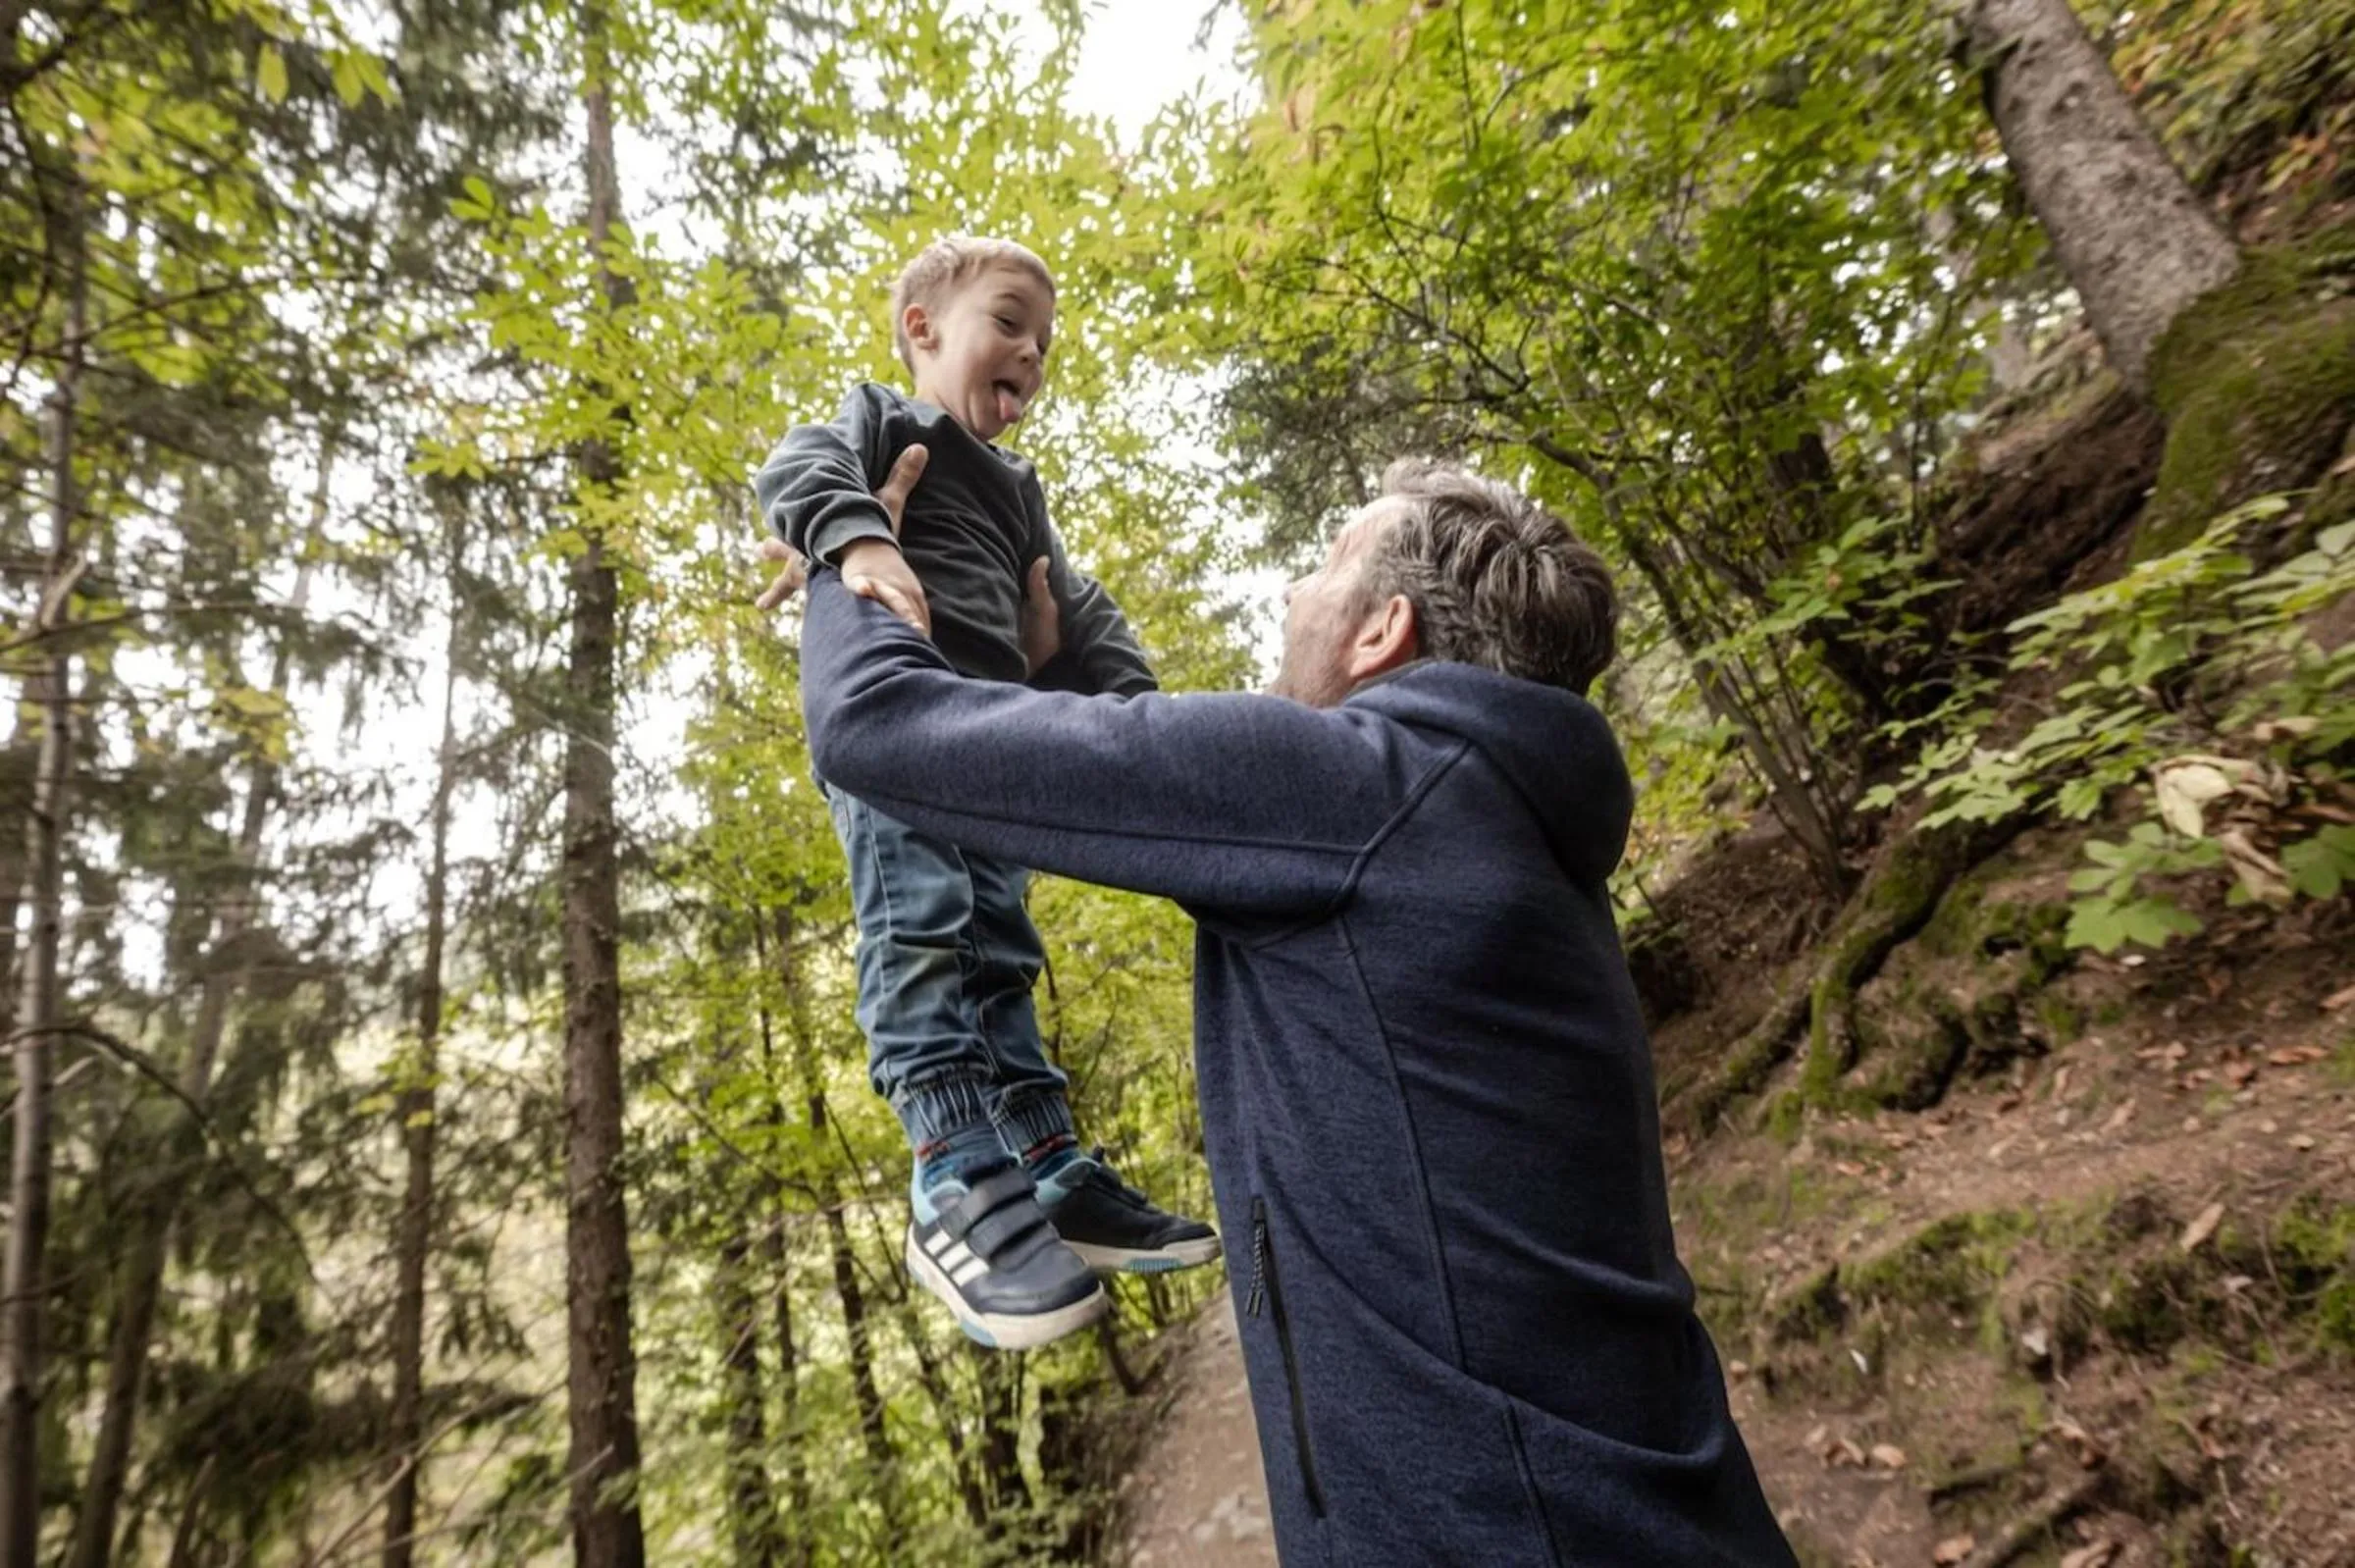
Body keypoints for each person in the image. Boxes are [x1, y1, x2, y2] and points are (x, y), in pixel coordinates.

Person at [771, 453, 1798, 1564]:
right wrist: (1052, 620)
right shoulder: (1469, 811)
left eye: (1324, 565)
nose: (1291, 593)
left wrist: (850, 541)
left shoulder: (1352, 788)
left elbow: (877, 725)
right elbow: (1149, 749)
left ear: (1380, 630)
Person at [751, 235, 1217, 1353]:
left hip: (990, 750)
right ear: (922, 328)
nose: (1033, 352)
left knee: (1002, 940)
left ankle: (1048, 1160)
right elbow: (791, 467)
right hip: (902, 728)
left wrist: (1140, 720)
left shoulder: (1018, 490)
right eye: (1010, 321)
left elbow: (1071, 607)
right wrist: (856, 543)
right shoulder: (883, 422)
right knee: (920, 922)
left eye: (1046, 343)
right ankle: (952, 1161)